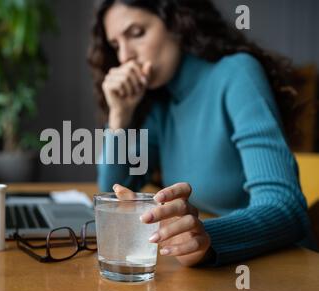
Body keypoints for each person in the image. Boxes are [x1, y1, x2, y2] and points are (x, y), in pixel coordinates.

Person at [87, 0, 317, 267]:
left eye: (136, 33)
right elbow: (115, 195)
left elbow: (285, 207)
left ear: (176, 21)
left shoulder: (237, 73)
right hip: (214, 272)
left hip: (280, 267)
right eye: (116, 45)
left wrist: (206, 236)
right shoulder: (160, 99)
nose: (125, 56)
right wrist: (119, 118)